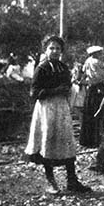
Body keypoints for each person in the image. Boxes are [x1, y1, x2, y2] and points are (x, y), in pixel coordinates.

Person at [24, 35, 91, 194]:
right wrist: (54, 91)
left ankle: (72, 180)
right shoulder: (42, 68)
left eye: (58, 49)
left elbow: (68, 85)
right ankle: (51, 181)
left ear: (61, 51)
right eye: (51, 48)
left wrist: (69, 87)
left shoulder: (63, 67)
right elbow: (34, 93)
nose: (54, 51)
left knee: (67, 141)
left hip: (61, 108)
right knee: (48, 140)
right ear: (45, 50)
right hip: (47, 108)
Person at [80, 45, 104, 149]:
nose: (102, 55)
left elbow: (83, 73)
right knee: (99, 110)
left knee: (89, 112)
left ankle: (87, 139)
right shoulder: (97, 62)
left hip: (90, 88)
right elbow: (101, 76)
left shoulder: (87, 61)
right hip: (98, 87)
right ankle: (96, 139)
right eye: (100, 53)